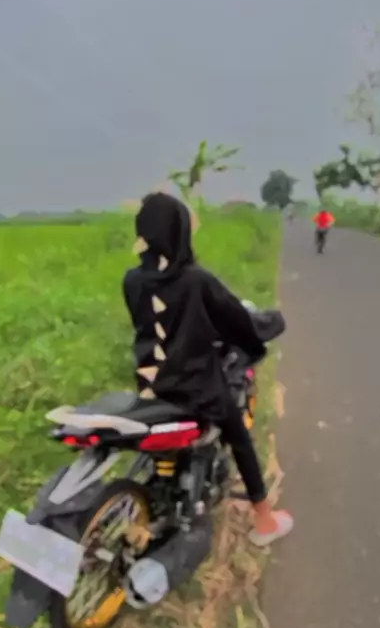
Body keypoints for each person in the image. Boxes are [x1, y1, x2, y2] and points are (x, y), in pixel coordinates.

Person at [123, 192, 293, 547]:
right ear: (181, 231)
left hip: (151, 386)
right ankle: (264, 519)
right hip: (196, 390)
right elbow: (238, 322)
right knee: (239, 438)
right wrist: (260, 339)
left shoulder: (132, 280)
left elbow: (157, 324)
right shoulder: (196, 280)